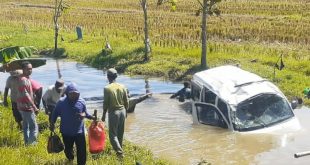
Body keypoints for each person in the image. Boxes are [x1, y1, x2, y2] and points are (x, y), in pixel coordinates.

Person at [50, 82, 94, 165]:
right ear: (67, 94)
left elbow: (85, 113)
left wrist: (90, 117)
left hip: (79, 132)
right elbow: (55, 113)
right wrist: (52, 123)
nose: (74, 96)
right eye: (72, 94)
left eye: (76, 94)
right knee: (68, 150)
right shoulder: (61, 103)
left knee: (82, 150)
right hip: (66, 132)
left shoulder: (81, 101)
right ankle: (70, 158)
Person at [101, 68, 128, 158]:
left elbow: (106, 103)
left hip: (114, 112)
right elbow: (126, 101)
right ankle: (119, 152)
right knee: (120, 133)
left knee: (112, 135)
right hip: (122, 111)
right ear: (116, 76)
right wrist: (126, 111)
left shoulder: (107, 88)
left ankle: (119, 152)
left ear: (108, 77)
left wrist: (104, 114)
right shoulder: (122, 86)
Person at [16, 61, 39, 145]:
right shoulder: (24, 80)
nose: (30, 71)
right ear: (23, 69)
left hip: (21, 107)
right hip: (27, 107)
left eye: (31, 69)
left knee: (26, 126)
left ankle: (27, 143)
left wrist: (33, 96)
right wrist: (34, 106)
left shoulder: (22, 78)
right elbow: (26, 95)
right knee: (34, 127)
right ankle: (31, 145)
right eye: (28, 69)